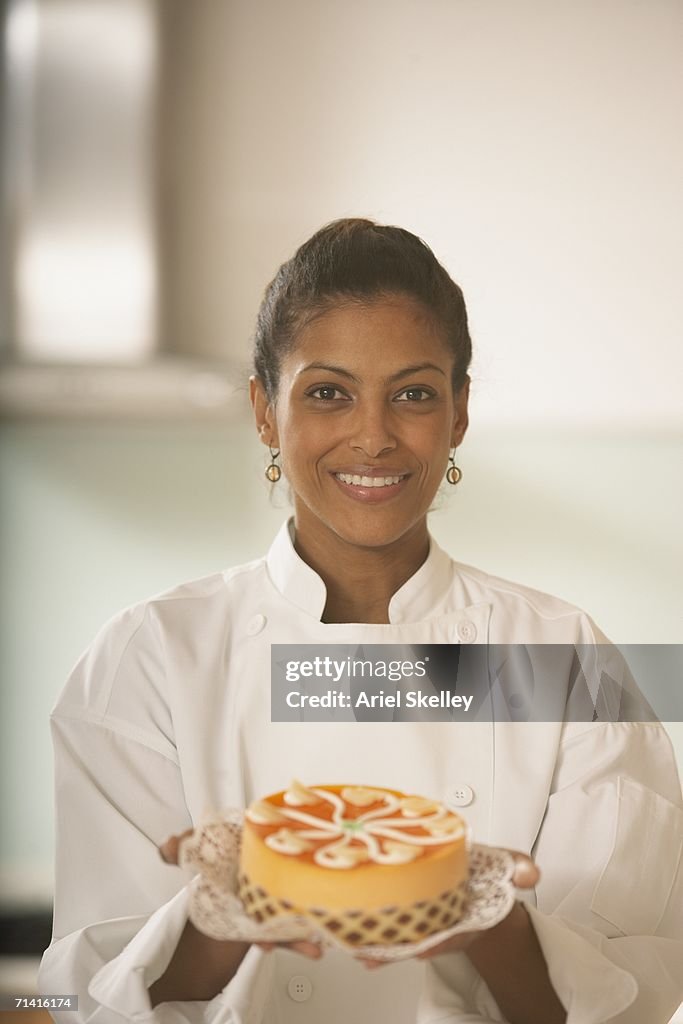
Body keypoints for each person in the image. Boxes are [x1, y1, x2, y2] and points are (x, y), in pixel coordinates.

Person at [39, 219, 683, 1023]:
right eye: (327, 392)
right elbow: (77, 997)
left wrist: (478, 911)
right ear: (264, 412)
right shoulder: (152, 656)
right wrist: (224, 916)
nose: (373, 437)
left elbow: (632, 996)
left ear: (458, 414)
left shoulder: (558, 656)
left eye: (412, 393)